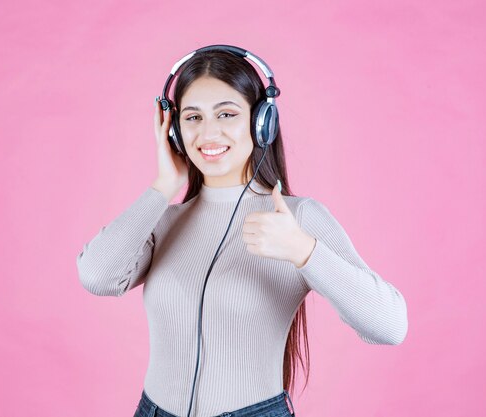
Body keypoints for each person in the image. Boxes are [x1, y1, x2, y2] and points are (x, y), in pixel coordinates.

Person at [76, 47, 408, 417]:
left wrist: (305, 251)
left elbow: (389, 326)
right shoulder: (163, 220)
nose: (208, 132)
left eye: (227, 114)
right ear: (173, 131)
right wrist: (162, 187)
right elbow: (97, 276)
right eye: (193, 117)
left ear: (260, 122)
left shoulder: (298, 219)